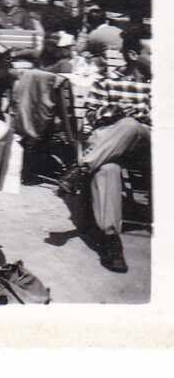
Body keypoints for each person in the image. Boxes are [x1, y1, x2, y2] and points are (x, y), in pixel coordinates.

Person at [56, 27, 151, 273]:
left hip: (148, 148)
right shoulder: (108, 81)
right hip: (112, 148)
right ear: (133, 55)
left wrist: (137, 116)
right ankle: (111, 240)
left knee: (130, 125)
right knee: (107, 169)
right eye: (153, 53)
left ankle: (80, 169)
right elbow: (90, 117)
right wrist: (111, 112)